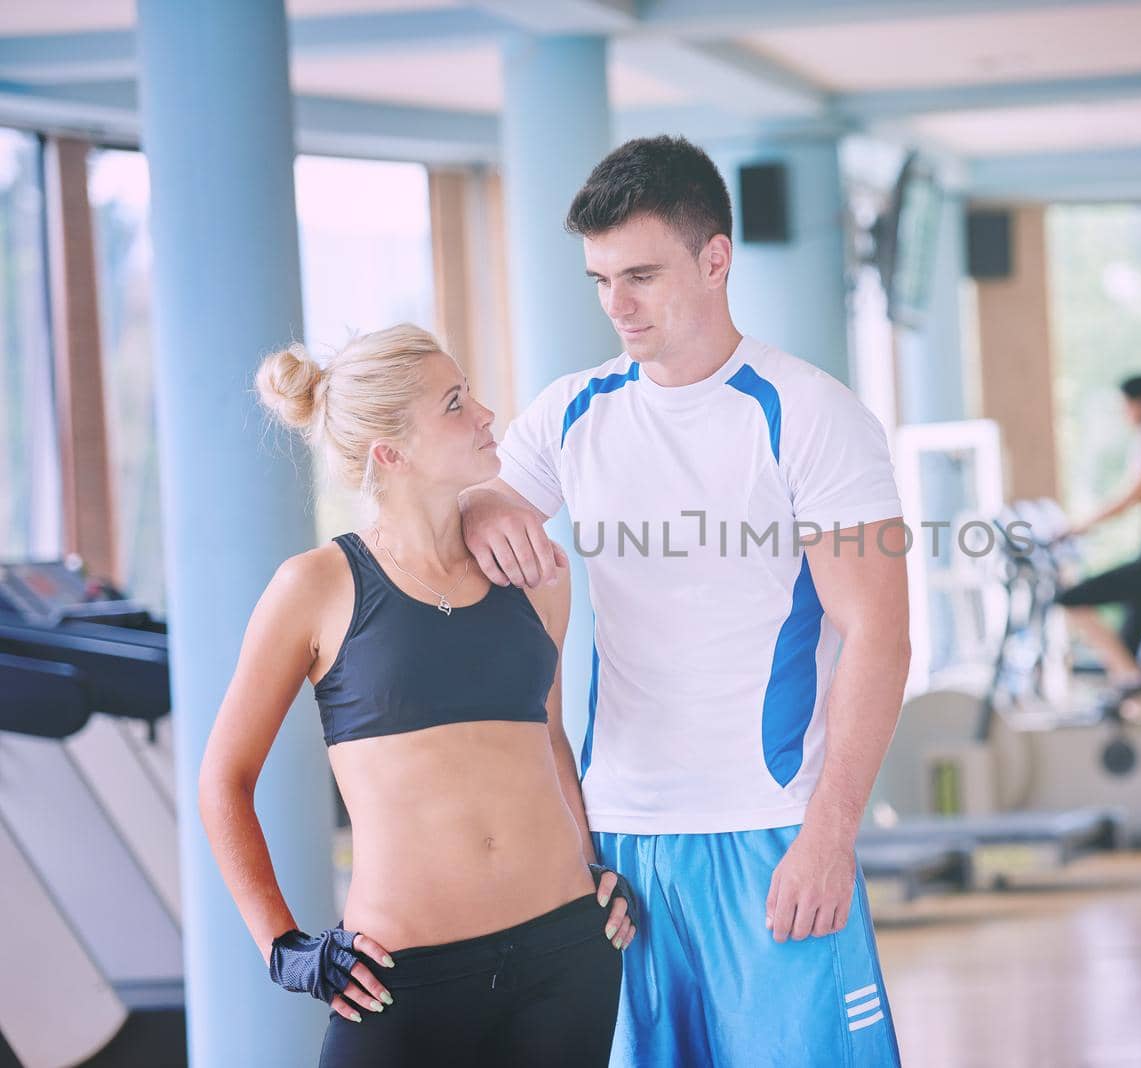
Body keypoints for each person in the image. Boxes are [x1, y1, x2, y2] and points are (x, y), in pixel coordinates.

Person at [459, 136, 911, 1066]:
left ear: (716, 259)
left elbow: (880, 637)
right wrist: (475, 512)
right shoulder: (572, 411)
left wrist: (829, 836)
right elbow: (469, 513)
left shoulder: (812, 413)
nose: (615, 306)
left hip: (771, 827)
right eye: (598, 280)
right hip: (622, 837)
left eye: (641, 276)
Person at [198, 325, 637, 1067]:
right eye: (456, 403)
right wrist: (283, 946)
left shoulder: (535, 573)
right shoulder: (314, 588)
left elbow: (549, 740)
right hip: (400, 983)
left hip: (566, 956)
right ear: (390, 453)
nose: (487, 414)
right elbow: (223, 781)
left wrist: (592, 867)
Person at [1055, 374, 1141, 706]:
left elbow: (1128, 499)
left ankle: (1131, 680)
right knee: (1125, 650)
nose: (1124, 415)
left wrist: (1079, 527)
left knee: (1071, 599)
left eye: (1125, 407)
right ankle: (1133, 691)